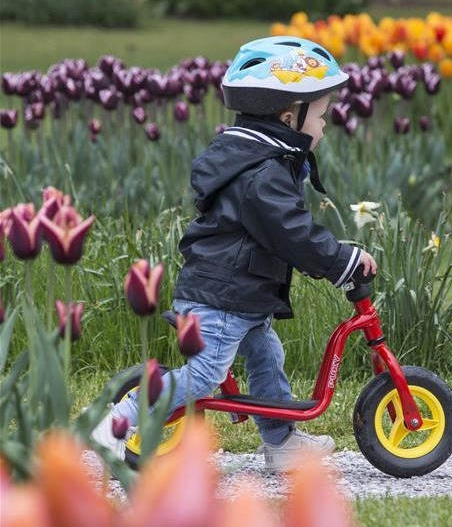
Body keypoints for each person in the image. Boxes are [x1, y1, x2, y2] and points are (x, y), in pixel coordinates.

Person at [93, 36, 378, 471]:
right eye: (320, 117)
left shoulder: (257, 161)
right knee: (205, 376)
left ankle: (281, 444)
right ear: (289, 117)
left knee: (267, 355)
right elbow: (292, 233)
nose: (323, 127)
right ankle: (118, 420)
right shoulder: (262, 175)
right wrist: (342, 261)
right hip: (221, 299)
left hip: (235, 296)